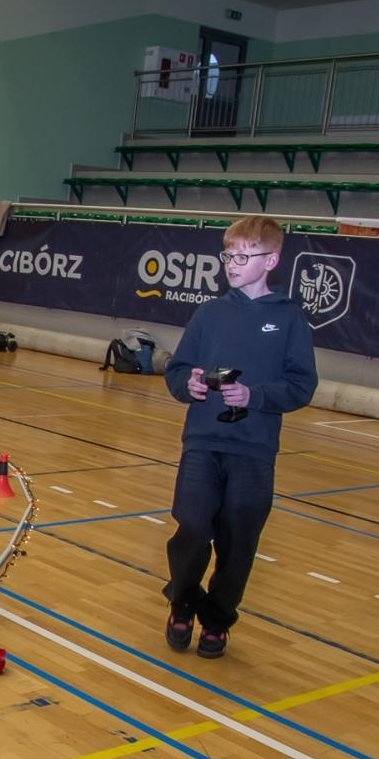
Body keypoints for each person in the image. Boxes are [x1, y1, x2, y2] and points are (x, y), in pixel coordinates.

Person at [161, 214, 318, 659]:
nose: (232, 265)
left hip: (253, 449)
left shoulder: (289, 319)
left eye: (243, 257)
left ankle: (217, 618)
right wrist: (186, 384)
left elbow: (302, 385)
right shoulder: (209, 314)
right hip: (202, 441)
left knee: (239, 540)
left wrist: (255, 395)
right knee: (193, 527)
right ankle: (182, 601)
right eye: (228, 256)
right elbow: (177, 369)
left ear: (271, 260)